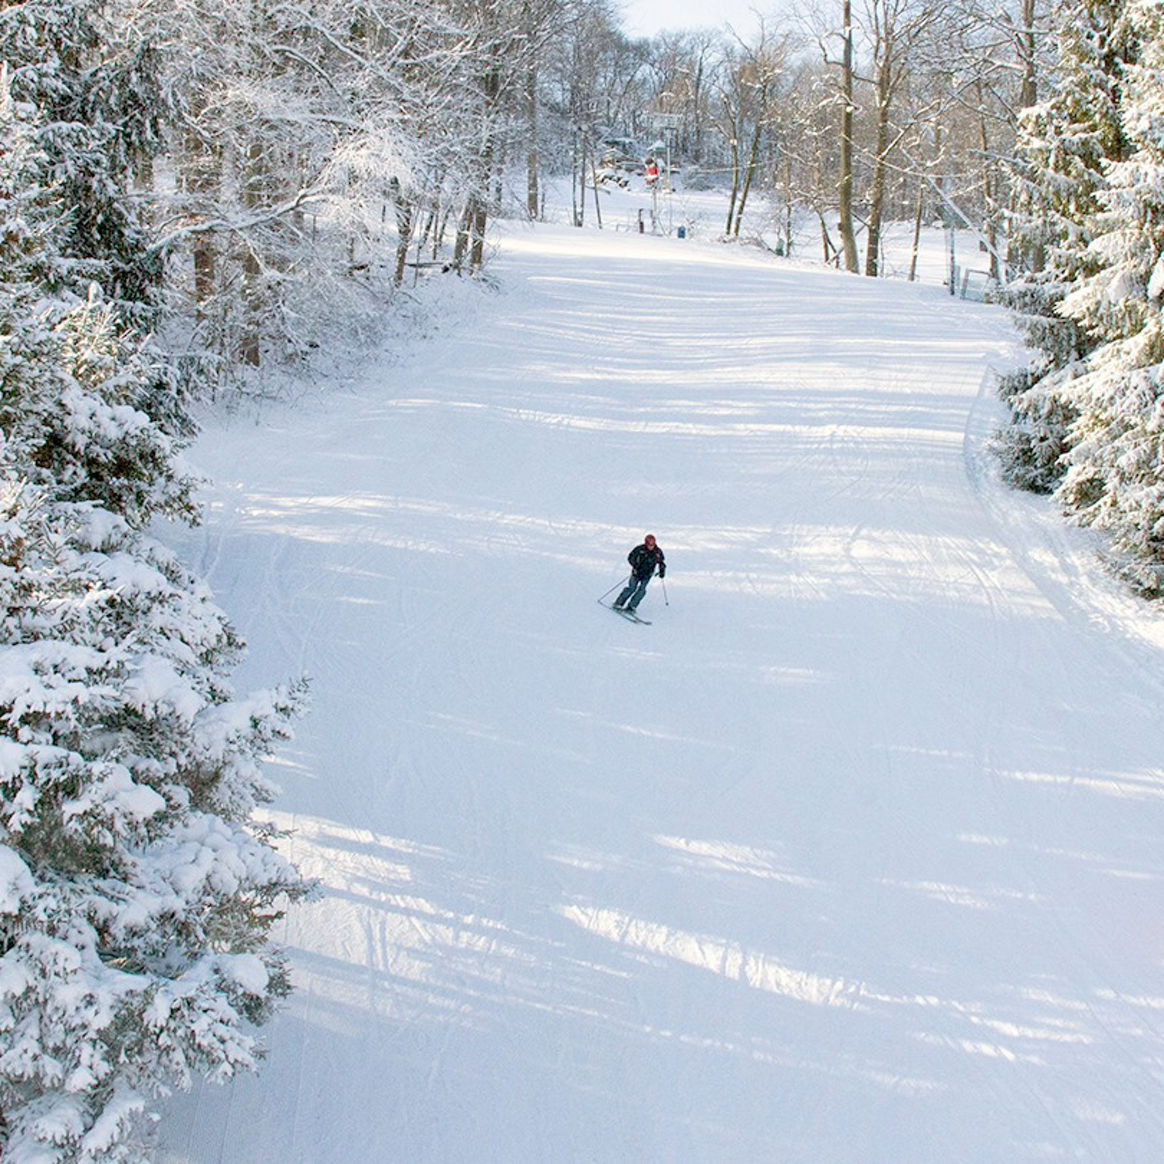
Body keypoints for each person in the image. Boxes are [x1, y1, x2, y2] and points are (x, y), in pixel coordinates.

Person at [614, 534, 665, 614]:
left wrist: (662, 570)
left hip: (647, 574)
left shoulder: (657, 552)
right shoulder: (640, 549)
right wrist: (635, 565)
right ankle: (618, 603)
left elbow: (661, 562)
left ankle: (632, 606)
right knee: (632, 588)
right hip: (636, 573)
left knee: (642, 590)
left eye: (652, 544)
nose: (651, 546)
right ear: (646, 543)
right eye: (649, 544)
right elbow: (630, 557)